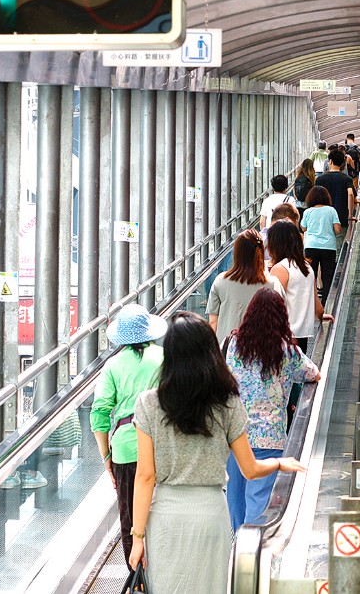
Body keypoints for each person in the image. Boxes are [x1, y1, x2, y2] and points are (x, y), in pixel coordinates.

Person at [128, 311, 305, 593]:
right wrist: (279, 463)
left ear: (169, 354)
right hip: (210, 514)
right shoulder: (228, 403)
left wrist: (137, 537)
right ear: (210, 352)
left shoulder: (149, 403)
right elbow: (250, 469)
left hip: (165, 519)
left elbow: (145, 477)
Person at [223, 289, 321, 532]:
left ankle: (235, 547)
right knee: (258, 499)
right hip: (270, 437)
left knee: (234, 496)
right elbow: (314, 374)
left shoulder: (233, 344)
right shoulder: (287, 351)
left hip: (234, 433)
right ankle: (250, 553)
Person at [90, 304, 167, 572]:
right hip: (162, 445)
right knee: (161, 510)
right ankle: (162, 575)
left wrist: (106, 457)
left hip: (125, 449)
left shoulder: (113, 366)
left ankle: (139, 579)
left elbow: (99, 414)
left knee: (131, 517)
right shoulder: (164, 357)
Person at [206, 229, 283, 343]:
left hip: (227, 350)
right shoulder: (272, 283)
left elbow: (213, 322)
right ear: (261, 251)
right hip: (261, 349)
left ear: (236, 253)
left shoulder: (220, 281)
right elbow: (281, 319)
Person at [268, 220, 331, 353]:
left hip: (283, 336)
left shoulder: (280, 269)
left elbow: (272, 307)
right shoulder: (306, 267)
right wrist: (321, 316)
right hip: (302, 336)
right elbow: (316, 304)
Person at [301, 185, 341, 305]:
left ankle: (312, 303)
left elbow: (303, 228)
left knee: (310, 276)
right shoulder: (331, 210)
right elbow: (338, 230)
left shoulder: (308, 211)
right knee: (327, 277)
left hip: (311, 246)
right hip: (328, 247)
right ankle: (326, 303)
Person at [315, 149, 356, 238]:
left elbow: (315, 199)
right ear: (342, 163)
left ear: (330, 161)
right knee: (339, 244)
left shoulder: (320, 179)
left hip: (324, 218)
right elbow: (350, 194)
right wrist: (350, 215)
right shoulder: (347, 179)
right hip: (342, 217)